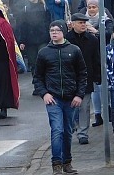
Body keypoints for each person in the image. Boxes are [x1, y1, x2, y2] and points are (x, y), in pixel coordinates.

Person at [33, 20, 87, 175]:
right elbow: (37, 77)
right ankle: (56, 164)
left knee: (68, 131)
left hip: (71, 99)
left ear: (63, 31)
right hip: (53, 99)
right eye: (51, 30)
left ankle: (67, 162)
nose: (54, 32)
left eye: (57, 30)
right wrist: (44, 93)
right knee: (57, 130)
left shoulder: (74, 50)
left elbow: (82, 74)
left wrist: (79, 95)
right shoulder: (44, 52)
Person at [66, 13, 101, 145]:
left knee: (84, 106)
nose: (83, 25)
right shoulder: (67, 39)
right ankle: (73, 125)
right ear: (73, 24)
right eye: (80, 23)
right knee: (71, 105)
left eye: (84, 23)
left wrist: (98, 76)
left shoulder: (92, 40)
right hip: (69, 77)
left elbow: (96, 59)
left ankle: (83, 133)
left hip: (86, 77)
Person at [18, 0, 50, 74]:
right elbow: (22, 26)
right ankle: (36, 81)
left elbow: (49, 23)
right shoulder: (25, 9)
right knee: (33, 62)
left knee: (43, 59)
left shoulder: (44, 7)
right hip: (30, 40)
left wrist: (49, 37)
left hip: (43, 38)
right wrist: (22, 41)